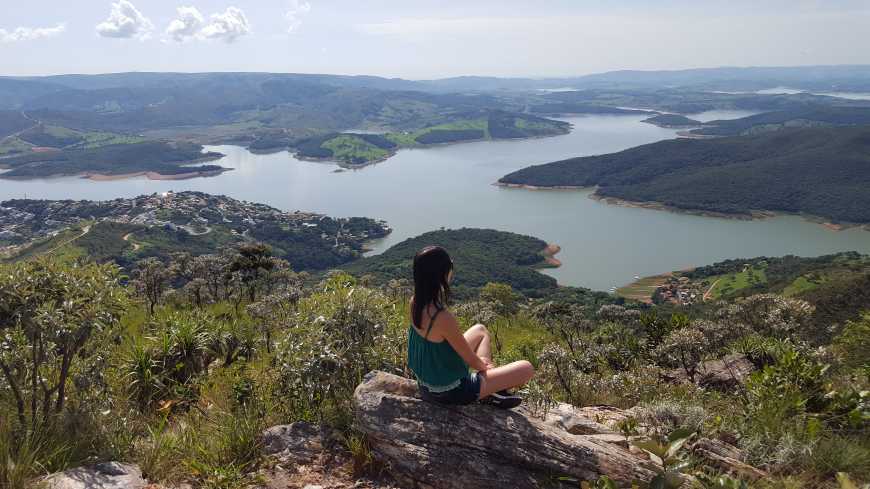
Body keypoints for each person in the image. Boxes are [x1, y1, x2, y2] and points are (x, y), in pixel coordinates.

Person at [407, 245, 535, 408]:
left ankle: (490, 389)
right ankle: (488, 392)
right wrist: (485, 367)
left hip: (427, 383)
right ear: (441, 275)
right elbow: (470, 359)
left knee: (480, 330)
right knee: (527, 368)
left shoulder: (415, 302)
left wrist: (482, 365)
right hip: (451, 392)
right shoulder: (442, 317)